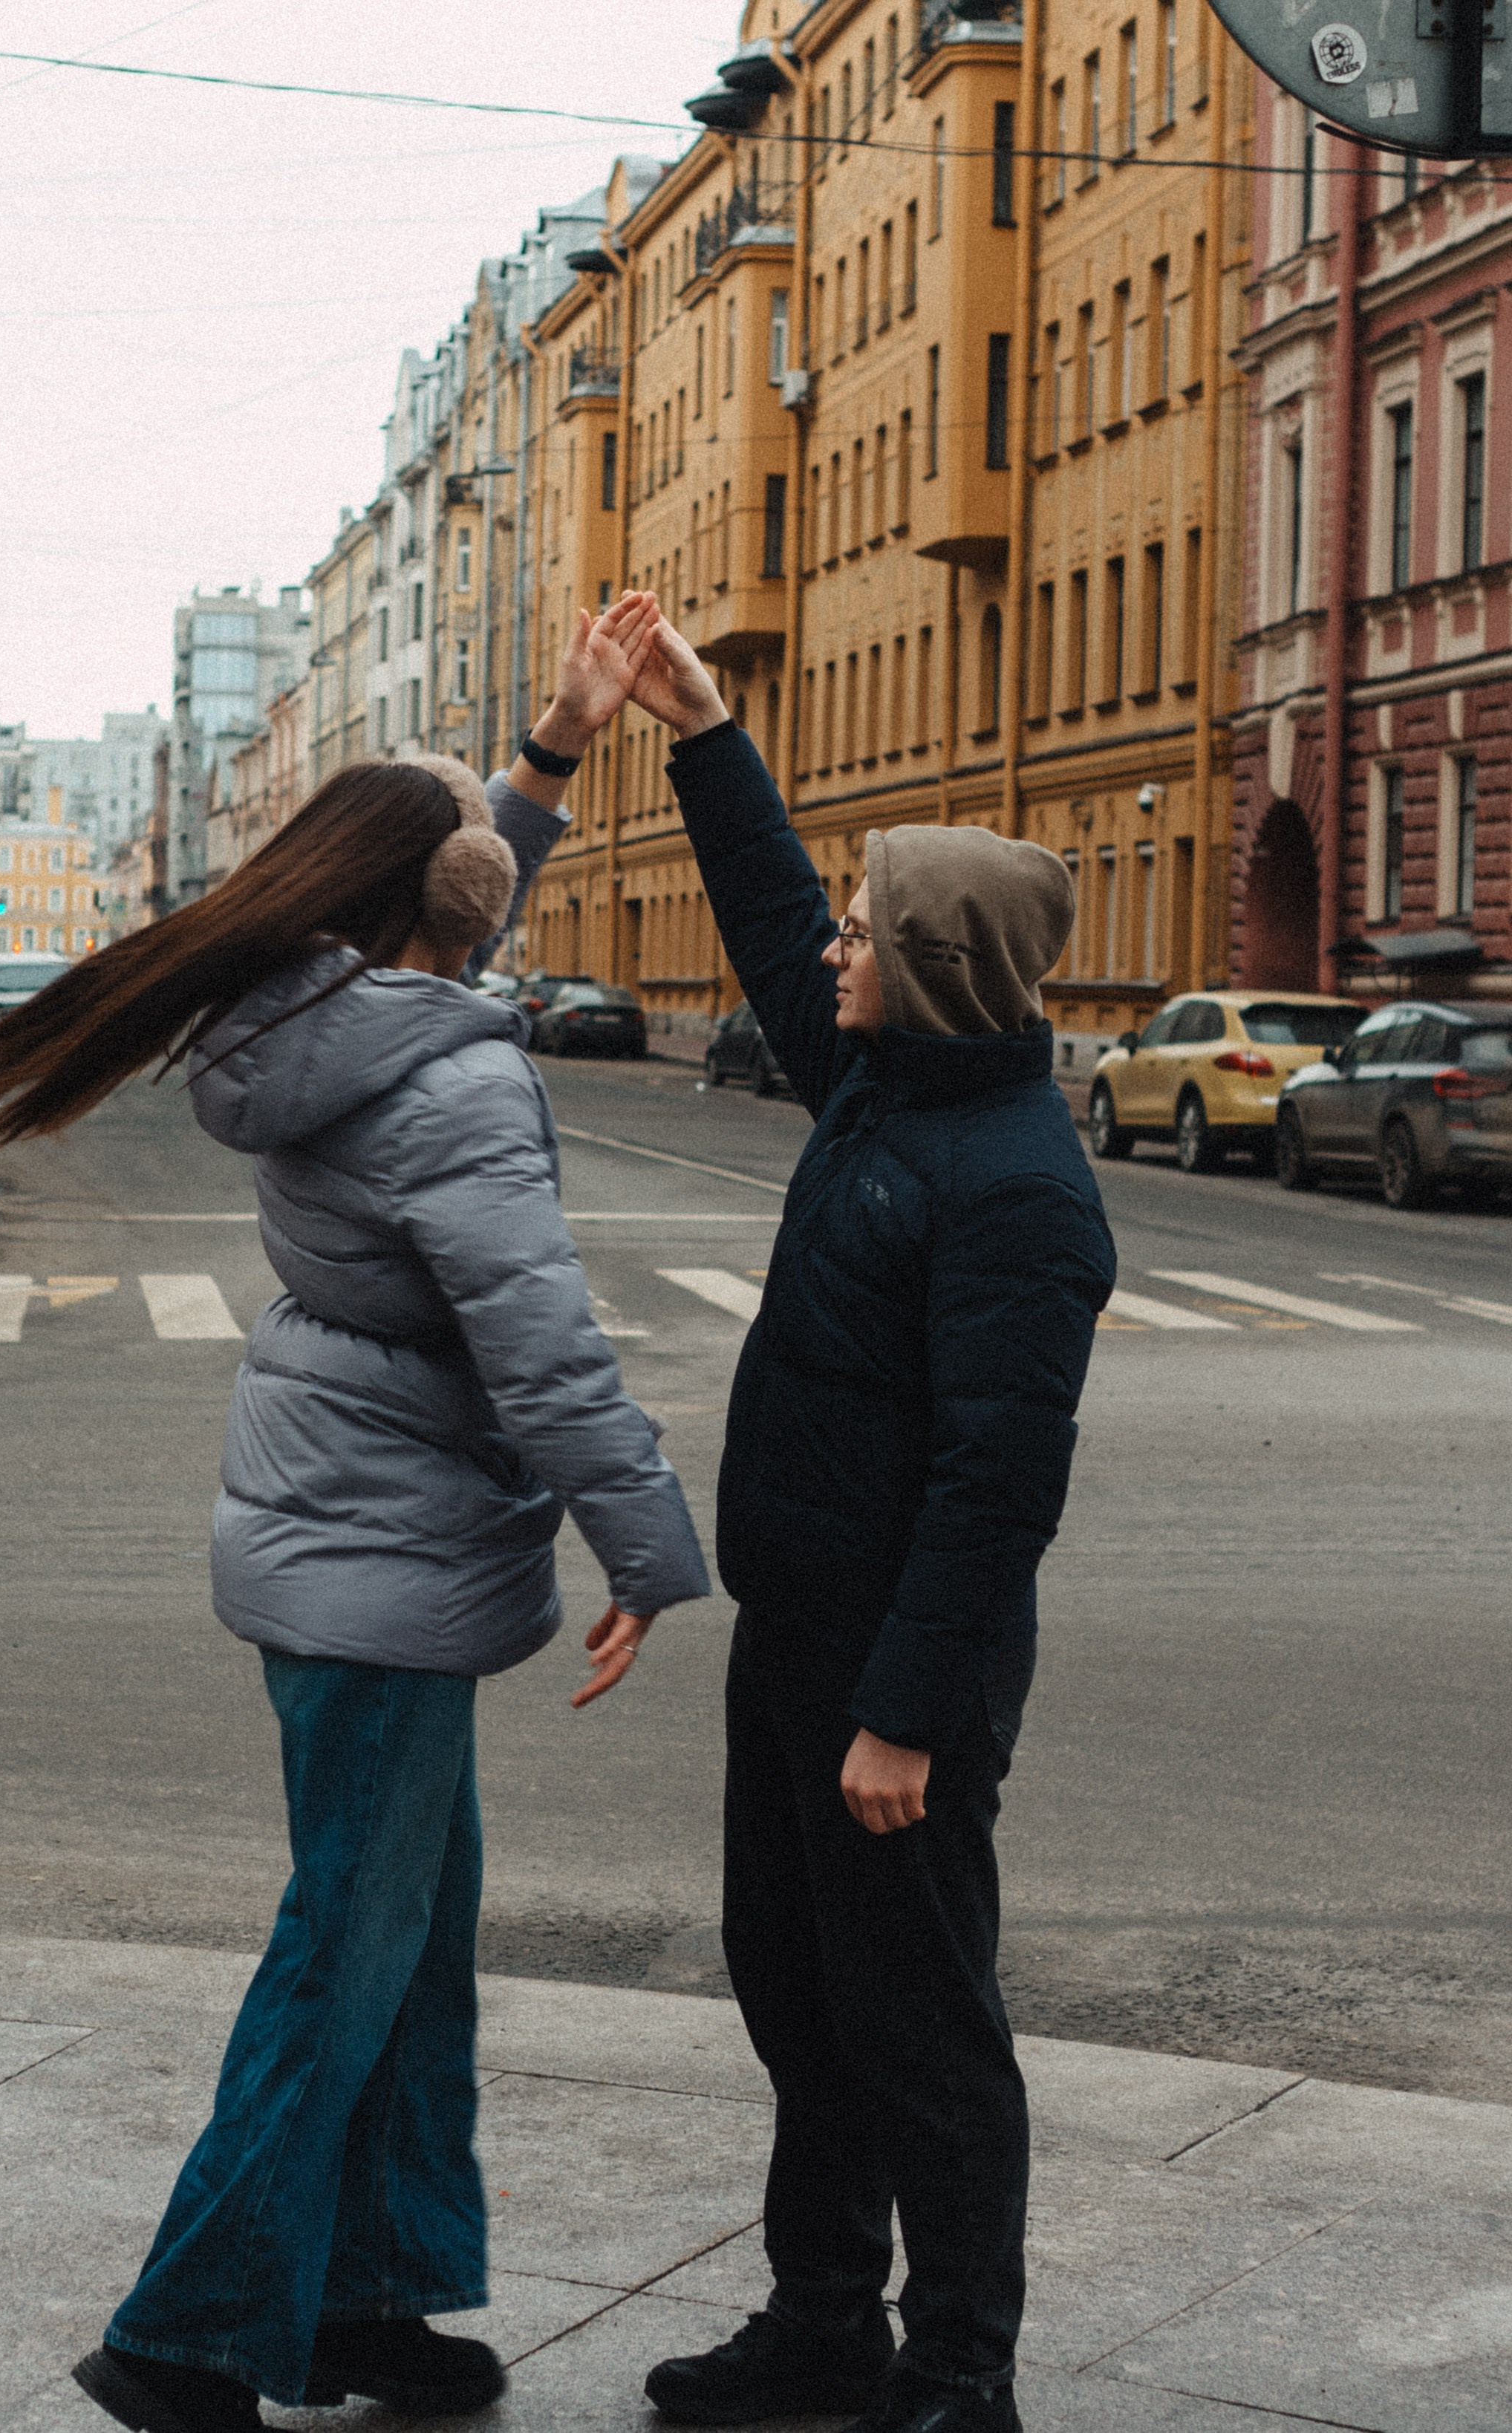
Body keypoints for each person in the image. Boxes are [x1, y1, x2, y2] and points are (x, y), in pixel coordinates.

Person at [0, 596, 711, 2433]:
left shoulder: (311, 1019)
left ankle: (371, 2298)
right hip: (386, 1562)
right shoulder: (441, 1073)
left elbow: (429, 927)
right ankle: (190, 2333)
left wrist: (545, 759)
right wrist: (651, 1544)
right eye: (473, 850)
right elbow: (541, 1351)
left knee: (411, 1944)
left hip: (338, 1525)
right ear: (436, 898)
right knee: (343, 1954)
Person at [625, 613, 1116, 2433]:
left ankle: (958, 2371)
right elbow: (770, 924)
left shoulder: (1019, 1194)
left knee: (924, 2031)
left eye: (862, 932)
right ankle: (822, 2319)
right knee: (799, 1994)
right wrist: (704, 732)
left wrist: (904, 1714)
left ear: (922, 969)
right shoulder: (883, 1089)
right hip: (799, 1644)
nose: (828, 949)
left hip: (904, 1678)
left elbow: (1003, 1489)